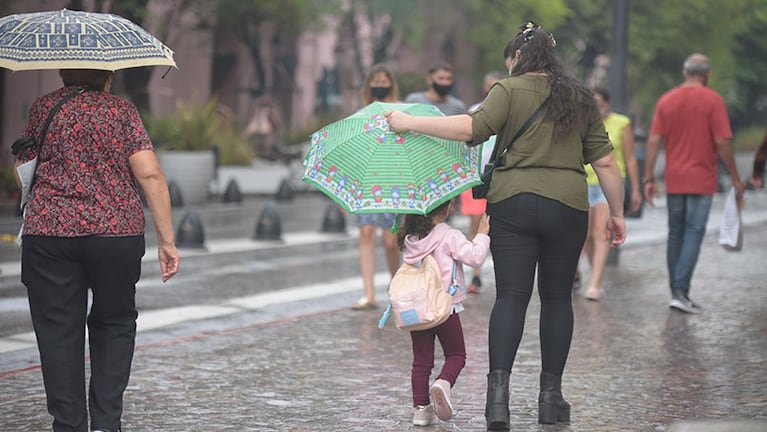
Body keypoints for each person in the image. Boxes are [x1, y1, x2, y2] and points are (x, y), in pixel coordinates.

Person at [387, 21, 626, 430]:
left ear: (517, 57)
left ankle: (497, 403)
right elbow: (604, 161)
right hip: (568, 206)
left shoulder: (507, 90)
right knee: (556, 300)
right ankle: (551, 398)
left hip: (513, 204)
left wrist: (408, 122)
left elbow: (470, 128)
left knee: (511, 297)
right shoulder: (580, 97)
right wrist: (617, 213)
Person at [13, 69, 180, 432]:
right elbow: (149, 173)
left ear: (62, 72)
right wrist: (166, 241)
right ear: (109, 74)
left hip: (50, 234)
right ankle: (106, 424)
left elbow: (23, 169)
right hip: (115, 233)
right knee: (115, 323)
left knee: (58, 330)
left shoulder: (42, 108)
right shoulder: (121, 112)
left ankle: (69, 425)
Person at [643, 53, 744, 314]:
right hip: (702, 179)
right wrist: (734, 176)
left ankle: (676, 291)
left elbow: (654, 141)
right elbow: (722, 142)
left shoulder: (667, 100)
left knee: (675, 233)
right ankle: (680, 291)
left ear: (684, 72)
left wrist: (649, 177)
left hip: (675, 179)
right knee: (693, 232)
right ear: (706, 74)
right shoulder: (713, 100)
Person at [397, 199, 490, 426]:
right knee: (456, 355)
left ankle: (421, 410)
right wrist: (482, 234)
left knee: (421, 361)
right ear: (446, 207)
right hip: (445, 307)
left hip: (417, 311)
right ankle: (443, 382)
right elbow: (475, 257)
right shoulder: (449, 235)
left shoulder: (411, 240)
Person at [578, 87, 642, 301]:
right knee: (584, 235)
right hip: (584, 181)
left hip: (609, 183)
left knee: (601, 232)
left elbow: (630, 157)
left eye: (599, 101)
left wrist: (635, 188)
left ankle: (595, 283)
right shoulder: (583, 120)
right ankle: (593, 272)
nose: (596, 106)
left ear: (607, 102)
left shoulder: (621, 123)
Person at [351, 64, 402, 310]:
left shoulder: (400, 112)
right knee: (366, 232)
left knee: (391, 241)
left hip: (392, 179)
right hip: (367, 179)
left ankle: (397, 287)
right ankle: (369, 293)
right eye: (376, 81)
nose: (380, 85)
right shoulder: (360, 114)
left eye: (384, 81)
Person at [461, 71, 506, 294]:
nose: (491, 90)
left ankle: (501, 274)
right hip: (477, 177)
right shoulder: (474, 111)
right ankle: (475, 274)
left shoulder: (510, 111)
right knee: (476, 224)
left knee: (500, 227)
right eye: (488, 86)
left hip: (501, 176)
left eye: (495, 86)